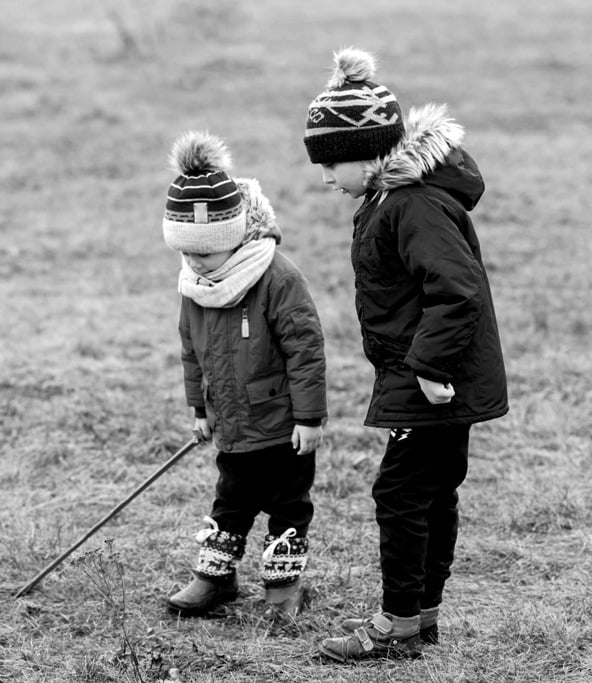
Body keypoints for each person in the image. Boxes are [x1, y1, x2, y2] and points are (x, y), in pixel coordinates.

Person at [302, 47, 508, 661]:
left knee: (401, 494)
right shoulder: (388, 200)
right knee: (431, 494)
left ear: (370, 154)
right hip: (426, 375)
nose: (325, 178)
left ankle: (396, 626)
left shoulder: (410, 205)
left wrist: (429, 368)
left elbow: (457, 289)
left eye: (333, 163)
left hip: (432, 380)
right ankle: (420, 618)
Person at [161, 131, 328, 618]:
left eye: (205, 254)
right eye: (186, 253)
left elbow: (306, 350)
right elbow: (191, 351)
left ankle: (282, 590)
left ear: (233, 239)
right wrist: (199, 408)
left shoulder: (277, 278)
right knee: (229, 504)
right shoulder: (195, 285)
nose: (194, 263)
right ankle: (214, 579)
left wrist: (310, 417)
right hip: (232, 426)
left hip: (283, 427)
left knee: (287, 508)